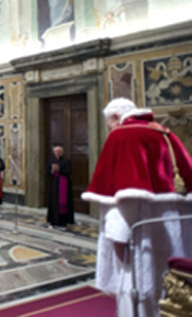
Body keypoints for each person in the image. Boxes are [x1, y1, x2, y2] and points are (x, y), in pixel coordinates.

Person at [83, 98, 192, 316]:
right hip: (172, 228)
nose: (110, 129)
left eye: (109, 124)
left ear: (115, 117)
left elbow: (121, 197)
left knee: (139, 286)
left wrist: (118, 240)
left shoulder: (122, 136)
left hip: (139, 231)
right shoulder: (165, 133)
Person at [46, 146, 74, 227]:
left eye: (59, 151)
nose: (58, 153)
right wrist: (52, 170)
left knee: (63, 202)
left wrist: (59, 169)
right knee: (53, 201)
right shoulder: (51, 161)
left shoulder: (66, 161)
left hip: (64, 184)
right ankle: (53, 220)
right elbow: (47, 172)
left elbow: (69, 172)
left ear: (62, 152)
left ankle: (63, 221)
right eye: (56, 151)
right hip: (54, 184)